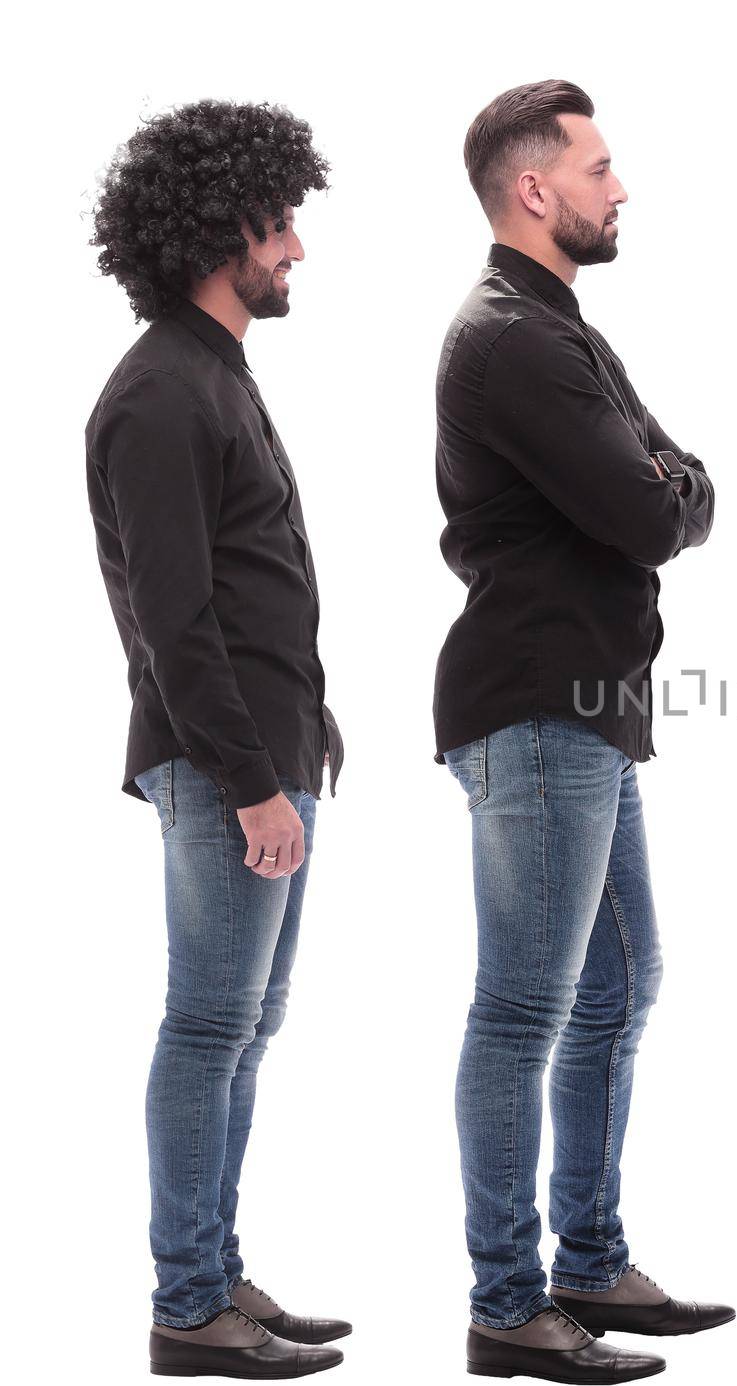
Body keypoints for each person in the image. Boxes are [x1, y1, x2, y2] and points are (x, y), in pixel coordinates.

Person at [433, 80, 733, 1383]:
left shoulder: (567, 334)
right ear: (533, 189)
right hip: (540, 705)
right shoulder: (511, 339)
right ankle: (508, 1302)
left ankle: (588, 1259)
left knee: (618, 984)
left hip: (596, 712)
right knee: (525, 1007)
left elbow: (686, 484)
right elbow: (656, 509)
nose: (622, 190)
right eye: (601, 169)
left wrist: (669, 485)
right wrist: (666, 486)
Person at [86, 99, 350, 1378]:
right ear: (217, 227)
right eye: (280, 221)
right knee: (207, 1028)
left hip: (269, 756)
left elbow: (253, 583)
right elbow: (173, 623)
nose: (295, 245)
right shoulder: (157, 394)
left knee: (247, 1028)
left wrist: (311, 738)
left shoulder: (215, 373)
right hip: (222, 766)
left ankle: (219, 1272)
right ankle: (188, 1305)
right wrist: (253, 784)